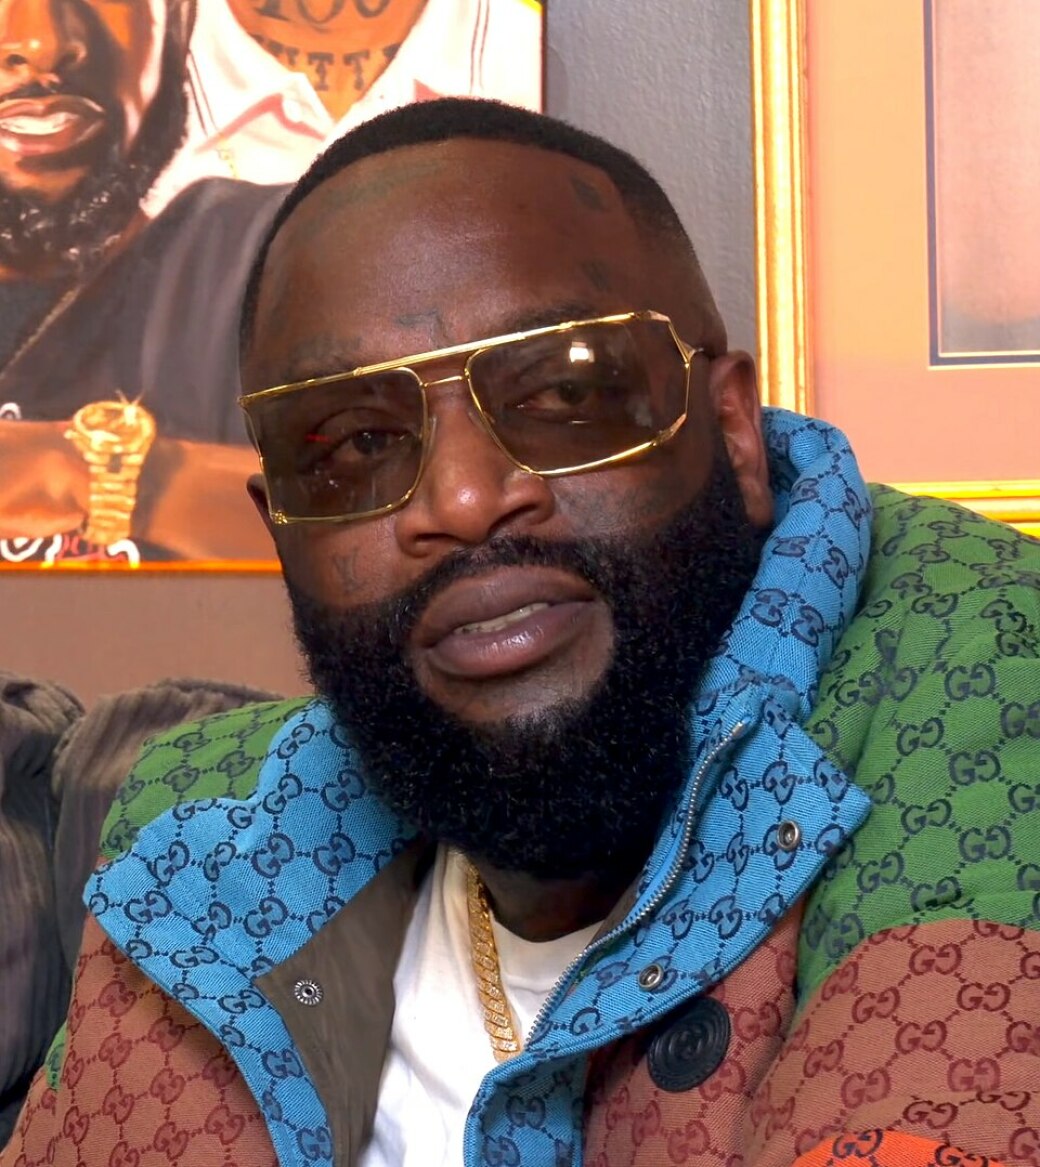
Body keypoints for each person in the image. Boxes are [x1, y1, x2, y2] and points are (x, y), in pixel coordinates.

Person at [4, 99, 1038, 1166]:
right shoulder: (193, 838)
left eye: (565, 392)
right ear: (284, 535)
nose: (462, 499)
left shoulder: (985, 670)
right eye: (354, 443)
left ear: (731, 430)